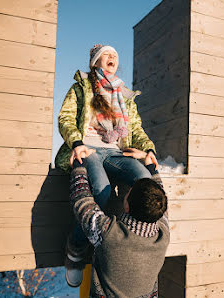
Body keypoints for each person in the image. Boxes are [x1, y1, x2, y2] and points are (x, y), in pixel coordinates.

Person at [54, 44, 160, 287]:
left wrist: (149, 149)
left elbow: (136, 129)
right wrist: (77, 143)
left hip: (116, 152)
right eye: (106, 55)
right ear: (95, 62)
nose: (112, 58)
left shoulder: (125, 95)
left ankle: (130, 244)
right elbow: (66, 117)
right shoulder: (81, 87)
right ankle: (76, 249)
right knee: (100, 190)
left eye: (114, 55)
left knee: (144, 181)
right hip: (89, 149)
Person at [68, 154, 169, 297]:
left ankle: (74, 257)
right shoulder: (163, 235)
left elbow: (82, 201)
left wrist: (79, 167)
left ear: (126, 207)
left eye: (128, 193)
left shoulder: (110, 234)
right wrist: (152, 169)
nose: (126, 192)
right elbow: (161, 200)